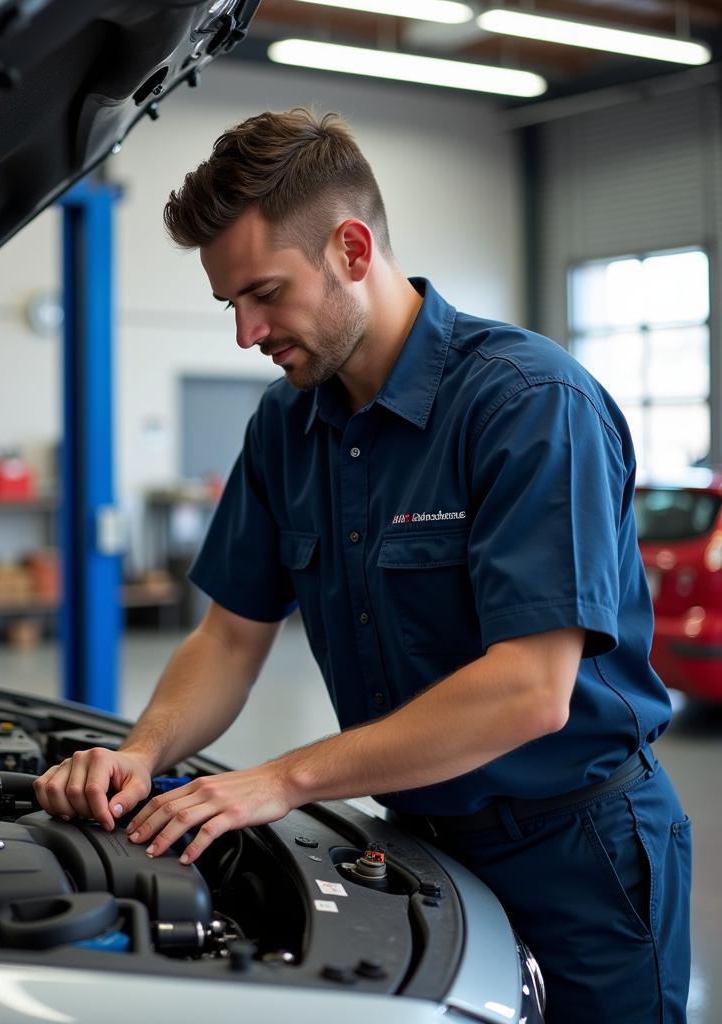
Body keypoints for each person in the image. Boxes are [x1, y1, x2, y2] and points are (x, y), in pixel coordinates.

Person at [34, 108, 691, 1023]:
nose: (245, 332)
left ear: (351, 247)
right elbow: (229, 636)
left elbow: (529, 691)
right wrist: (139, 755)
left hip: (578, 856)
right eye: (230, 303)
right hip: (417, 845)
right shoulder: (284, 426)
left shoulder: (530, 405)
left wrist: (282, 778)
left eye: (263, 293)